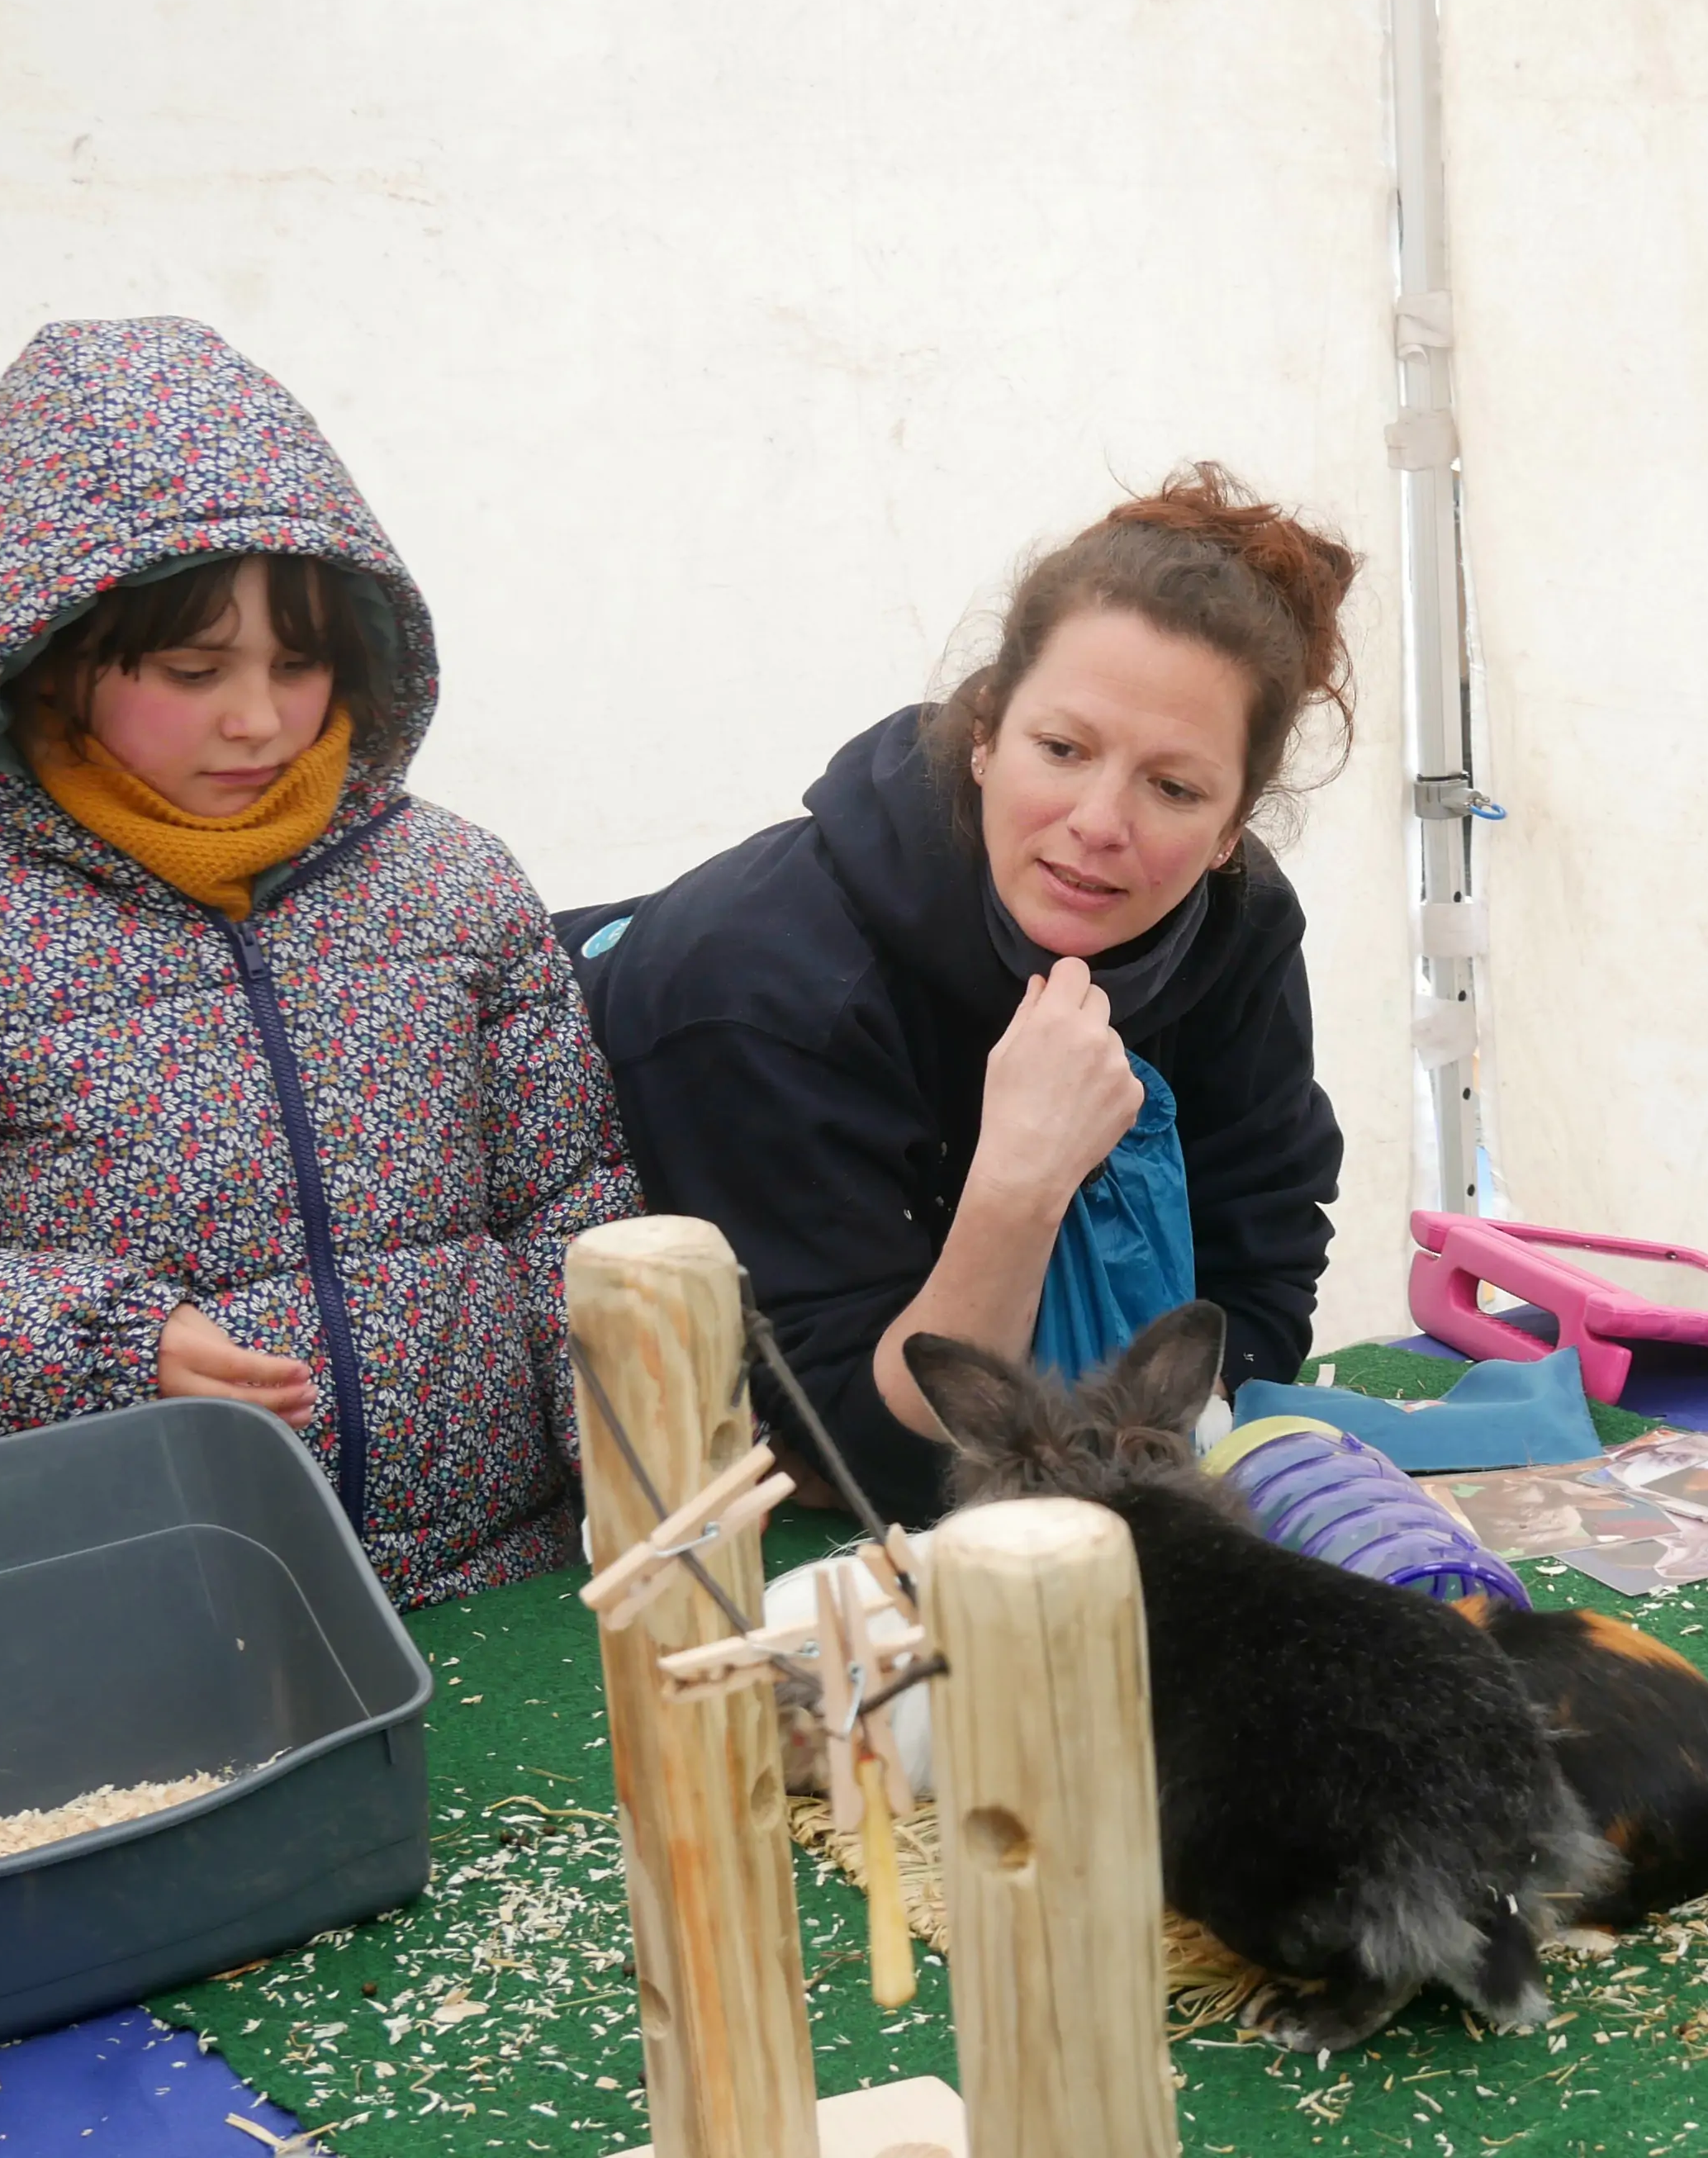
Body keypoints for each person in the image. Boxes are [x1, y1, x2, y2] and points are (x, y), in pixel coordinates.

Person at [0, 318, 636, 1605]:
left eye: (297, 663)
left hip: (501, 1583)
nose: (260, 718)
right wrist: (99, 1346)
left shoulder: (453, 882)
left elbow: (567, 1206)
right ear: (51, 660)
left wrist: (636, 1456)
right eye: (195, 670)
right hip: (141, 1626)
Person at [572, 466, 1353, 1527]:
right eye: (1062, 748)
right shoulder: (762, 987)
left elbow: (1260, 1246)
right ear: (984, 730)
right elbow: (870, 1455)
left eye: (1173, 786)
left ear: (1229, 829)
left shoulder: (1238, 919)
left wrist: (1185, 1420)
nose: (1098, 821)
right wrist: (1021, 1181)